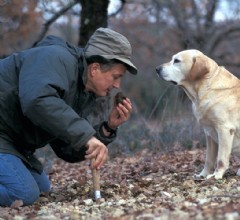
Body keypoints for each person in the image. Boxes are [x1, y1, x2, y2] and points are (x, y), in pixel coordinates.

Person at [0, 27, 137, 206]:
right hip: (3, 134)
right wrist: (85, 136)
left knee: (42, 190)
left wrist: (107, 128)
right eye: (115, 77)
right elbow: (37, 101)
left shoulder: (84, 93)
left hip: (11, 141)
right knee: (22, 194)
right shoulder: (54, 58)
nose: (118, 85)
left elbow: (66, 148)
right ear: (95, 68)